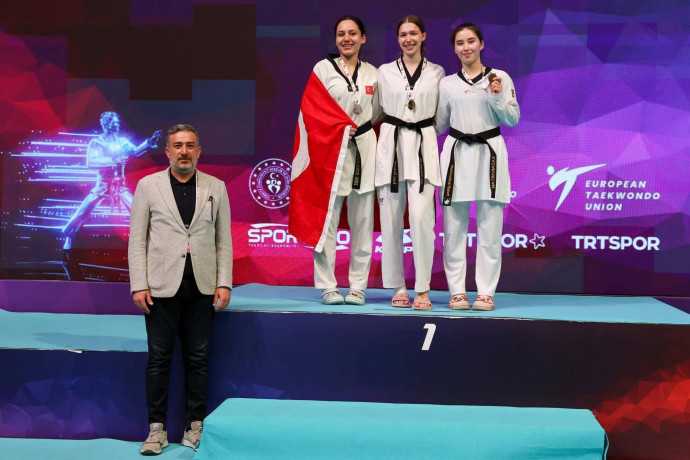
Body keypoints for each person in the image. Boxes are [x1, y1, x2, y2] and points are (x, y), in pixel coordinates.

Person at [128, 124, 232, 455]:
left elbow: (223, 240)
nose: (184, 151)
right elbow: (137, 240)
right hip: (160, 288)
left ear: (198, 151)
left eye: (189, 145)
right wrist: (139, 284)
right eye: (177, 146)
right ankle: (156, 430)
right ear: (167, 152)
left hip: (202, 287)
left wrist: (224, 282)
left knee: (198, 360)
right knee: (159, 360)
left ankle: (194, 426)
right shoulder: (148, 186)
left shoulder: (216, 187)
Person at [290, 16, 378, 306]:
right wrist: (338, 130)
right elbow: (311, 110)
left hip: (364, 151)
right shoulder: (322, 69)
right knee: (327, 222)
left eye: (353, 33)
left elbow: (379, 113)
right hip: (330, 154)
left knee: (362, 223)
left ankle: (358, 287)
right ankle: (327, 286)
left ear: (363, 38)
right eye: (341, 34)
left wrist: (359, 129)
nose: (347, 38)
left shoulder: (373, 74)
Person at [436, 23, 520, 311]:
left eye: (471, 41)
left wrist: (495, 96)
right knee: (453, 229)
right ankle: (457, 291)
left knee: (490, 229)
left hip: (489, 154)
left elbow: (512, 119)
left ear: (481, 44)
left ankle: (486, 292)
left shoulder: (499, 77)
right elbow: (440, 124)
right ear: (454, 48)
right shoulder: (447, 84)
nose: (466, 47)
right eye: (460, 43)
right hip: (456, 154)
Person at [375, 15, 445, 310]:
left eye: (413, 33)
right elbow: (375, 112)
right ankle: (398, 286)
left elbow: (441, 116)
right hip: (391, 146)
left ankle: (423, 288)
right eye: (403, 34)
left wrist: (424, 131)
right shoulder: (384, 72)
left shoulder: (437, 72)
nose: (408, 39)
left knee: (421, 219)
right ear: (398, 39)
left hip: (422, 145)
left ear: (423, 36)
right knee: (391, 219)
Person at [62, 111, 160, 250]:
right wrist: (112, 161)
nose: (117, 126)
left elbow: (135, 151)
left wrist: (149, 143)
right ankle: (68, 233)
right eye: (114, 123)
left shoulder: (121, 142)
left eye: (117, 123)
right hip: (102, 187)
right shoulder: (97, 142)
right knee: (82, 213)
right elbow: (91, 162)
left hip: (120, 187)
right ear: (106, 125)